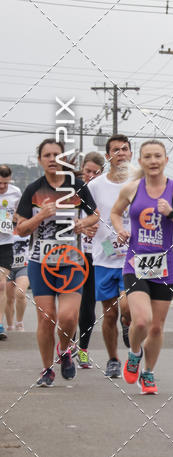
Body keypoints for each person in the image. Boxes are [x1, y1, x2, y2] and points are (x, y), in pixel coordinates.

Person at [110, 140, 173, 394]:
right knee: (141, 322)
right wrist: (120, 230)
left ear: (166, 160)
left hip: (165, 268)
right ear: (141, 161)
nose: (153, 161)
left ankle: (148, 373)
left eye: (158, 156)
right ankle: (134, 353)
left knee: (156, 327)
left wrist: (171, 213)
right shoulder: (131, 189)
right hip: (135, 265)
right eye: (147, 156)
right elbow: (115, 213)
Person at [15, 139, 98, 387]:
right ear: (40, 159)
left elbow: (95, 214)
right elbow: (20, 229)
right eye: (47, 155)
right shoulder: (33, 190)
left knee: (68, 317)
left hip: (71, 261)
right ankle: (46, 368)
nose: (52, 159)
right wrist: (40, 215)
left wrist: (83, 224)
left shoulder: (78, 186)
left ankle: (64, 351)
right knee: (47, 316)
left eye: (57, 155)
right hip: (40, 262)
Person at [87, 135, 133, 379]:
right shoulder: (95, 186)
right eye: (115, 150)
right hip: (105, 256)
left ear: (131, 154)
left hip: (135, 258)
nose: (121, 153)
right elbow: (83, 214)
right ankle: (113, 359)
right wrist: (84, 225)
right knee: (109, 313)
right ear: (107, 157)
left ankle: (129, 325)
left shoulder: (142, 182)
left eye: (125, 149)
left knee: (130, 309)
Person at [75, 152, 103, 368]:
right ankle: (66, 346)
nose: (91, 176)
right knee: (69, 305)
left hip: (96, 254)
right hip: (74, 253)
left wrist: (108, 248)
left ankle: (83, 349)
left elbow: (112, 226)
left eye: (95, 172)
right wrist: (83, 225)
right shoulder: (73, 190)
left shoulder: (105, 192)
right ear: (81, 170)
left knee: (88, 305)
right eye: (88, 171)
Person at [0, 165, 23, 339]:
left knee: (1, 285)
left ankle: (0, 325)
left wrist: (15, 217)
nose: (2, 187)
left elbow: (21, 215)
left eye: (5, 183)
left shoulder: (15, 192)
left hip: (6, 244)